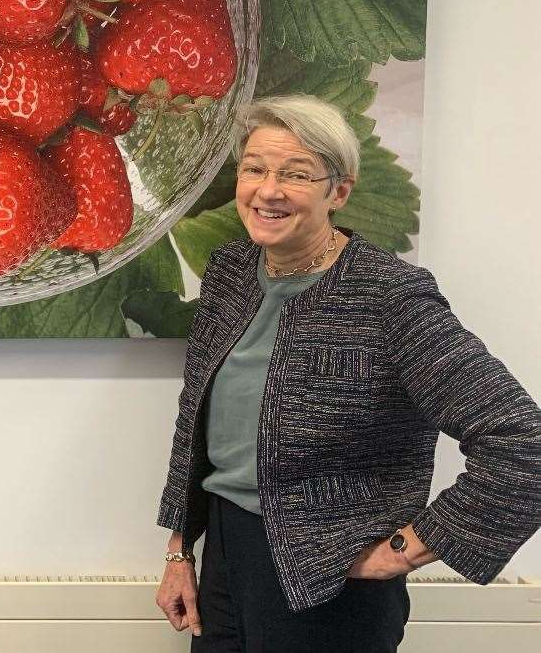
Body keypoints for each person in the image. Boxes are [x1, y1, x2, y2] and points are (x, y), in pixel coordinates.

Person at [154, 94, 541, 652]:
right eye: (255, 169)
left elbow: (520, 438)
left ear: (339, 191)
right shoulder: (231, 272)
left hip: (329, 583)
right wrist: (178, 549)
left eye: (296, 174)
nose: (268, 190)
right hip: (225, 552)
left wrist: (407, 548)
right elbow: (196, 422)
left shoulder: (391, 297)